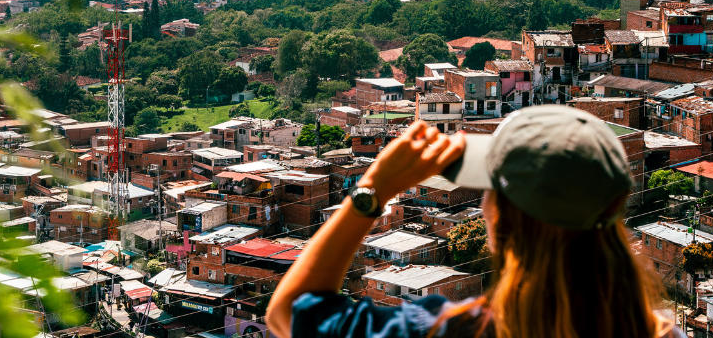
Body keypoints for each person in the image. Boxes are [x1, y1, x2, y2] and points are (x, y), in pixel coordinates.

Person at [266, 105, 682, 338]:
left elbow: (288, 311)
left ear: (498, 221)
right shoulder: (662, 333)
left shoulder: (449, 331)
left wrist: (371, 190)